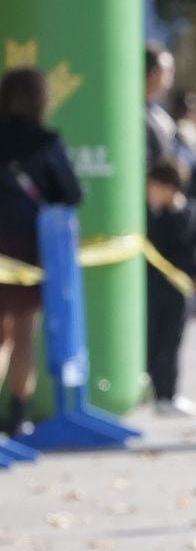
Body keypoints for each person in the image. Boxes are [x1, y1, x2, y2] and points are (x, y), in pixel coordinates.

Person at [0, 67, 86, 437]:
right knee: (24, 331)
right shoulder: (46, 141)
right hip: (28, 245)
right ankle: (19, 416)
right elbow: (72, 193)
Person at [144, 158, 196, 417]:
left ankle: (168, 394)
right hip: (154, 289)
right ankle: (152, 390)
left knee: (170, 343)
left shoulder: (190, 213)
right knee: (151, 340)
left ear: (169, 188)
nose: (148, 192)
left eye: (153, 186)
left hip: (177, 290)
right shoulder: (150, 215)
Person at [145, 44, 180, 170]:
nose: (170, 83)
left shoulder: (156, 113)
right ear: (153, 74)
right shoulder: (134, 115)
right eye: (167, 73)